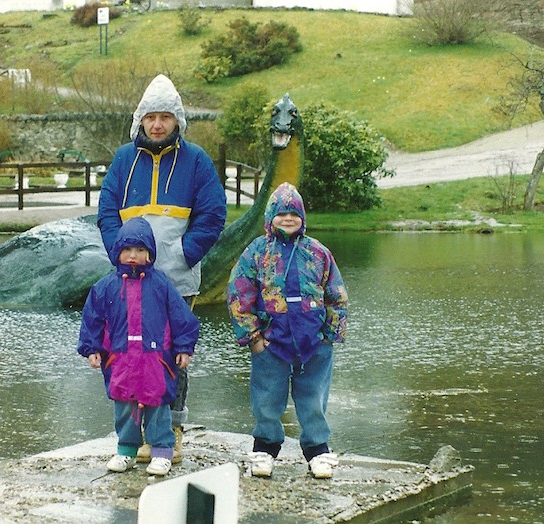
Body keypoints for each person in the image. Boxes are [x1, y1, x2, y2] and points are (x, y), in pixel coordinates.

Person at [97, 74, 227, 463]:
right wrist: (119, 256)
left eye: (165, 118)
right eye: (151, 117)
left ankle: (171, 430)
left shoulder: (197, 161)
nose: (157, 124)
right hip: (129, 281)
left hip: (177, 280)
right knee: (128, 353)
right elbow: (106, 214)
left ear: (177, 122)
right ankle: (133, 435)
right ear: (141, 119)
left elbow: (213, 214)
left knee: (171, 356)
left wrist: (185, 254)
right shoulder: (123, 160)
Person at [226, 182, 348, 479]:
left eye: (294, 214)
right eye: (282, 214)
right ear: (270, 217)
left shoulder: (318, 253)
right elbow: (239, 294)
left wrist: (330, 336)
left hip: (314, 345)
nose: (288, 219)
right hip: (270, 344)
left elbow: (337, 295)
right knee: (267, 399)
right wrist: (253, 338)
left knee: (313, 398)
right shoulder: (257, 252)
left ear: (303, 218)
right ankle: (265, 450)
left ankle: (318, 451)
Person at [78, 217, 200, 476]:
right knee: (125, 407)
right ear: (118, 252)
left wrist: (184, 347)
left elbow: (182, 317)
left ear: (150, 254)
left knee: (157, 406)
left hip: (155, 359)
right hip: (120, 359)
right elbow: (92, 320)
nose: (134, 255)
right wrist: (92, 349)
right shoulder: (105, 287)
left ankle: (163, 452)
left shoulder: (162, 284)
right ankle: (126, 450)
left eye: (140, 250)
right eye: (128, 249)